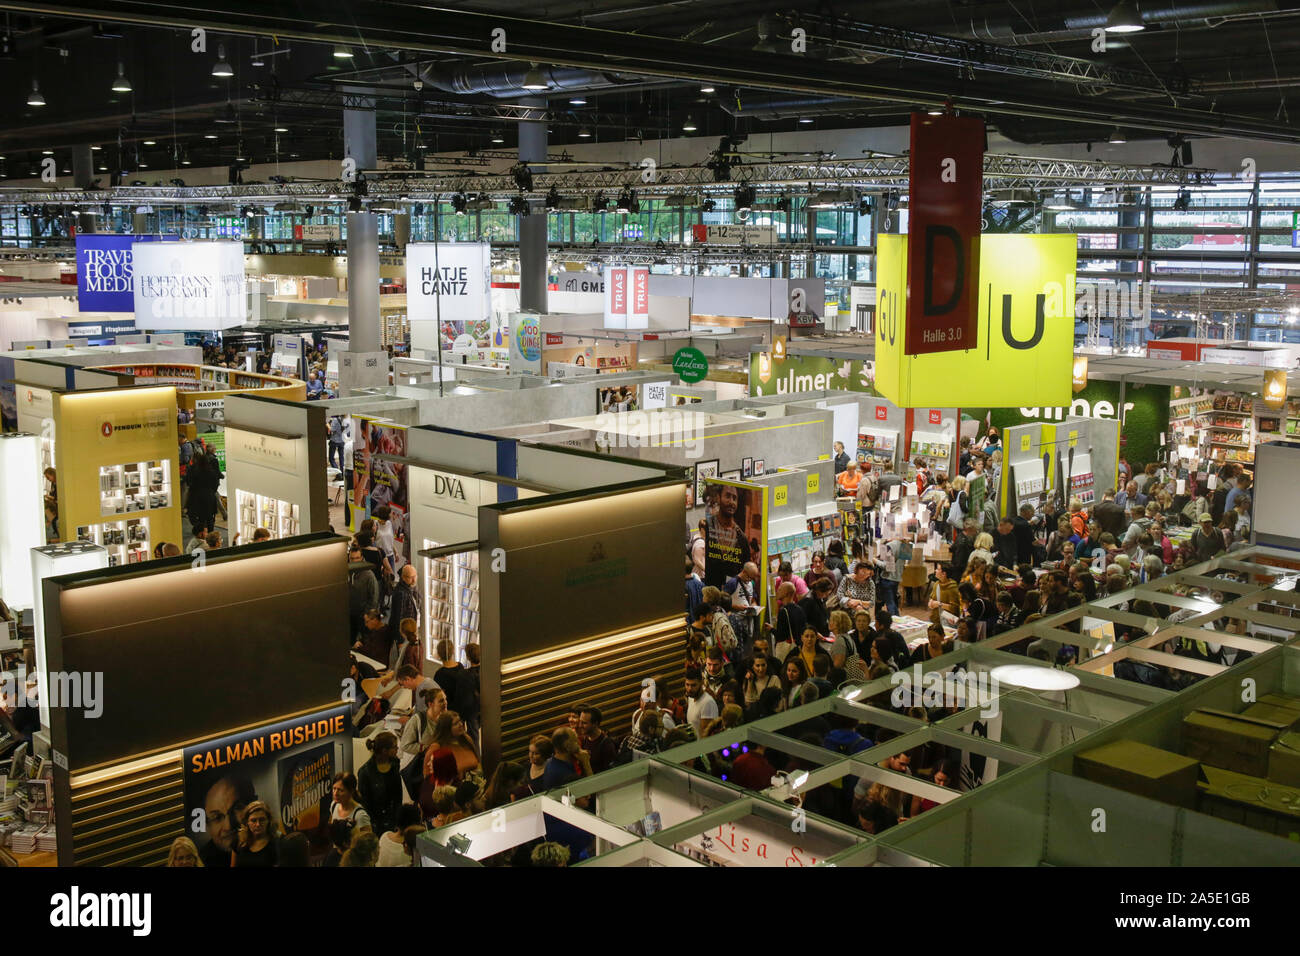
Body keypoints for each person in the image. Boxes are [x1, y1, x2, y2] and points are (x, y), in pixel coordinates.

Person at [703, 483, 752, 588]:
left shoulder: (741, 538)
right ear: (719, 497)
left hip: (732, 596)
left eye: (735, 498)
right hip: (710, 591)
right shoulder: (708, 526)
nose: (731, 502)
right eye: (728, 496)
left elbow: (746, 568)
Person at [357, 731, 403, 837]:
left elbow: (398, 796)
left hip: (393, 820)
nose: (397, 749)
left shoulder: (395, 764)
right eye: (394, 747)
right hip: (375, 824)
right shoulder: (365, 773)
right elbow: (366, 805)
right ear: (384, 751)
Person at [231, 800, 280, 867]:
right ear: (247, 822)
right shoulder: (239, 841)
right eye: (253, 820)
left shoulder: (276, 844)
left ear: (268, 821)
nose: (258, 824)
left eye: (262, 820)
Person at [577, 705, 618, 774]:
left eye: (584, 723)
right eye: (580, 722)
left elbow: (610, 773)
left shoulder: (607, 745)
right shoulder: (585, 739)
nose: (580, 725)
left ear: (595, 724)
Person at [684, 666, 719, 735]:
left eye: (693, 685)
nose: (689, 689)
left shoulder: (707, 703)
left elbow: (706, 735)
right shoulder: (690, 698)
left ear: (701, 683)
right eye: (687, 685)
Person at [388, 563, 420, 630]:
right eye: (411, 577)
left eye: (415, 576)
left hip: (412, 628)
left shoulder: (412, 587)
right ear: (403, 577)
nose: (414, 580)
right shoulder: (401, 593)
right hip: (405, 632)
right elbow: (399, 618)